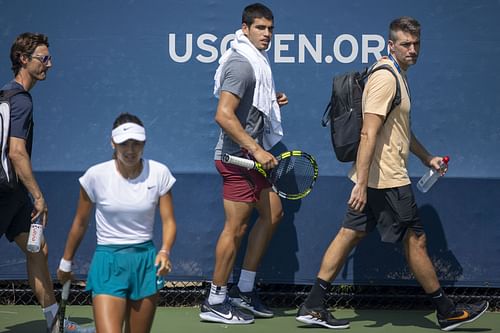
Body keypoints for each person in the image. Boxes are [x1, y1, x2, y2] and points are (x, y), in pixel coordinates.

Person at [296, 17, 488, 331]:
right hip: (386, 180)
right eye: (405, 44)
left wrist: (427, 158)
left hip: (376, 178)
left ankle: (313, 304)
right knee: (416, 240)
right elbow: (369, 134)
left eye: (416, 44)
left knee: (350, 233)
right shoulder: (386, 78)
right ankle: (446, 310)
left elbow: (398, 129)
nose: (412, 50)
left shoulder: (398, 75)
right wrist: (361, 181)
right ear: (391, 45)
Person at [199, 3, 289, 325]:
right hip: (238, 159)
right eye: (260, 28)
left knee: (273, 213)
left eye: (270, 28)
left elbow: (243, 108)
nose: (267, 34)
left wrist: (268, 102)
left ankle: (244, 290)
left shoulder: (257, 63)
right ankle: (215, 300)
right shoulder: (241, 64)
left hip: (253, 160)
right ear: (245, 28)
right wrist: (257, 150)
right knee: (235, 229)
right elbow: (223, 114)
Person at [0, 32, 94, 333]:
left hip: (14, 197)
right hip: (5, 194)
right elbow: (16, 151)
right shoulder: (21, 101)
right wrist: (38, 197)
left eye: (49, 58)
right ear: (23, 60)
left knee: (37, 248)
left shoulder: (5, 96)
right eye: (43, 58)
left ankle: (54, 322)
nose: (49, 64)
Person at [57, 113, 177, 333]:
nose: (130, 150)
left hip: (145, 264)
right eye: (124, 144)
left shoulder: (159, 173)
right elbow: (80, 222)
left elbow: (169, 221)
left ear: (144, 143)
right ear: (113, 143)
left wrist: (165, 251)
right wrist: (66, 261)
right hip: (108, 264)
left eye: (136, 143)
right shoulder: (95, 176)